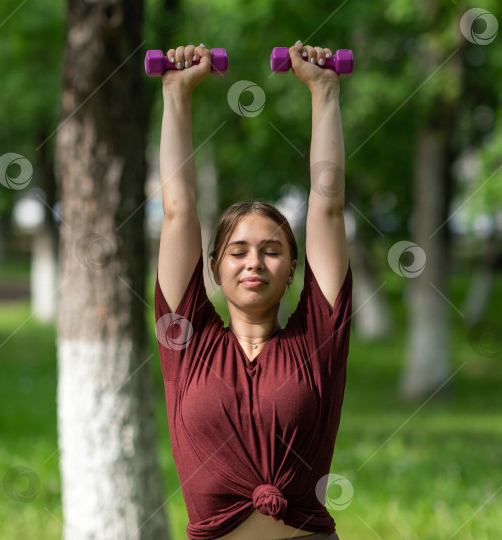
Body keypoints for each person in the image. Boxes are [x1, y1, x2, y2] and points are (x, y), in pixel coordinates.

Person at [154, 40, 351, 540]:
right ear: (214, 268)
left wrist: (324, 92)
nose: (253, 263)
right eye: (238, 251)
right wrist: (176, 95)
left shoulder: (317, 339)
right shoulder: (186, 341)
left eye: (271, 250)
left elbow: (326, 206)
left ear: (291, 269)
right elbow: (178, 210)